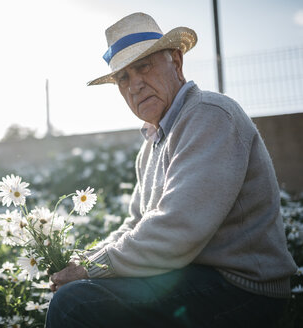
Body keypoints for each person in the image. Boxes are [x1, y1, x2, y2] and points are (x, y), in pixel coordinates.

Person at [45, 12, 297, 328]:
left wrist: (92, 268)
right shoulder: (154, 139)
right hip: (192, 277)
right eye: (123, 77)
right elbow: (136, 223)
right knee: (79, 292)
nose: (135, 85)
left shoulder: (209, 115)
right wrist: (84, 261)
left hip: (242, 290)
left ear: (176, 62)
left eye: (143, 67)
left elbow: (178, 228)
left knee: (75, 304)